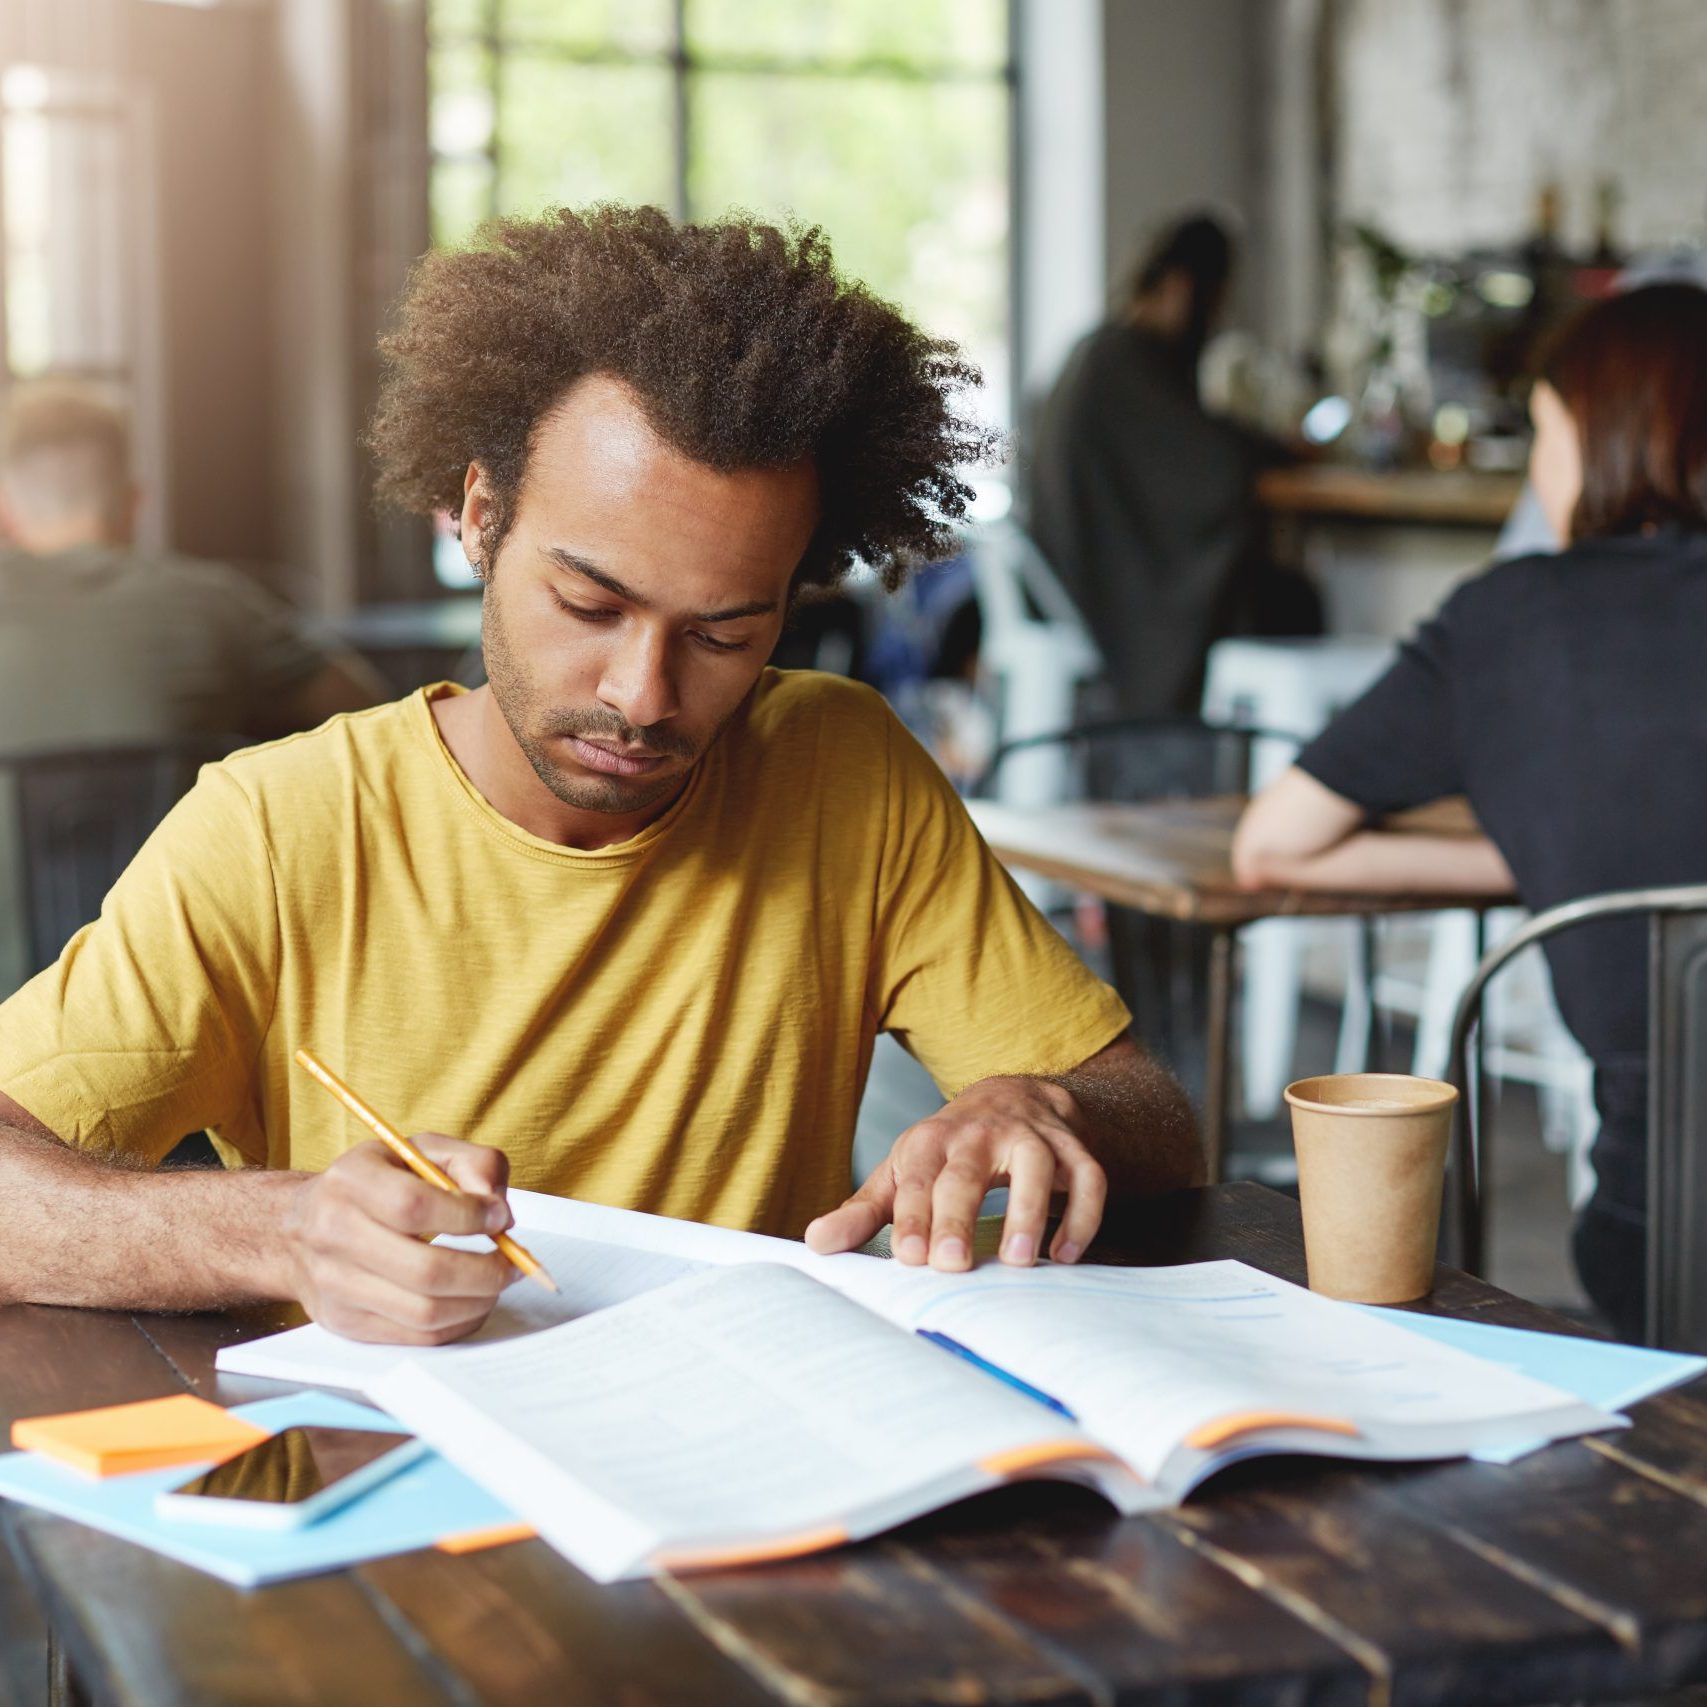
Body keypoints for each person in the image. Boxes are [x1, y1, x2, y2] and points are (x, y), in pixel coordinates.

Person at [0, 207, 1201, 1346]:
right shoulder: (280, 828)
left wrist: (1050, 1112)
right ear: (479, 515)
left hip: (749, 1477)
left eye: (726, 635)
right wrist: (282, 1231)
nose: (643, 694)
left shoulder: (846, 766)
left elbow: (1153, 1119)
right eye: (590, 603)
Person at [1231, 284, 1707, 1339]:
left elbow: (1276, 844)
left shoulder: (1512, 619)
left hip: (1669, 1246)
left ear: (1605, 436)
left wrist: (1558, 860)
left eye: (1546, 433)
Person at [0, 381, 381, 749]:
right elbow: (372, 717)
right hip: (184, 816)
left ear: (6, 514)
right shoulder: (219, 605)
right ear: (135, 504)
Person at [1025, 212, 1300, 718]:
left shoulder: (1098, 351)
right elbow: (1216, 467)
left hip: (1071, 582)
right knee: (1291, 600)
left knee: (1280, 594)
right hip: (1103, 593)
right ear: (1182, 286)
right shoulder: (1122, 360)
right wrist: (1278, 449)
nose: (1217, 320)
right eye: (1216, 300)